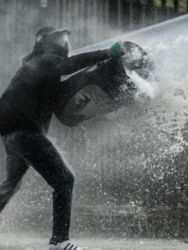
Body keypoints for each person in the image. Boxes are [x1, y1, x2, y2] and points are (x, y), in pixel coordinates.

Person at [0, 26, 125, 250]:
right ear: (48, 42)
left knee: (10, 185)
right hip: (25, 133)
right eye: (61, 38)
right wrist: (107, 53)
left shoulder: (36, 68)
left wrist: (76, 123)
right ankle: (60, 241)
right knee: (64, 180)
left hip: (12, 136)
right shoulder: (44, 61)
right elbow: (69, 65)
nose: (65, 42)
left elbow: (61, 105)